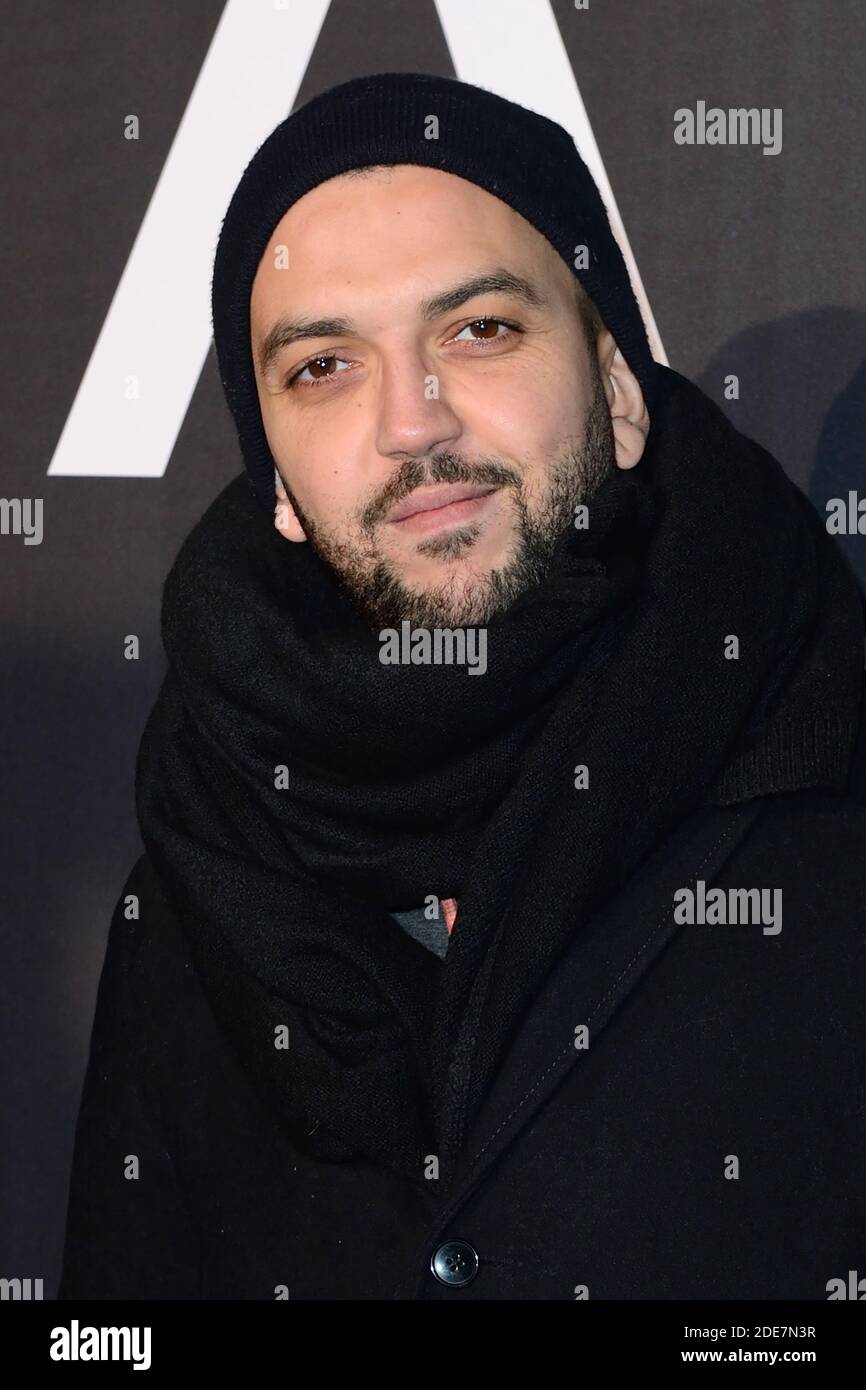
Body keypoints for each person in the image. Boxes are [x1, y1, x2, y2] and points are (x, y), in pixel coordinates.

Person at [58, 71, 866, 1301]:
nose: (411, 421)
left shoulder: (826, 787)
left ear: (616, 391)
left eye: (478, 329)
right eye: (323, 365)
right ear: (274, 479)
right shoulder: (194, 869)